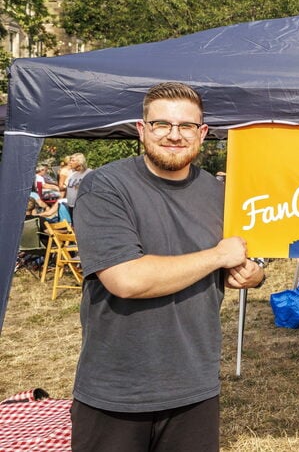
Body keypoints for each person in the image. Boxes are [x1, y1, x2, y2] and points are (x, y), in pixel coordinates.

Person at [70, 82, 265, 452]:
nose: (174, 136)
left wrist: (253, 274)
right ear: (142, 130)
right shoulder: (106, 186)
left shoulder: (220, 194)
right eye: (162, 124)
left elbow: (244, 258)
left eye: (186, 126)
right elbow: (125, 279)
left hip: (195, 386)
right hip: (118, 391)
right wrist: (218, 257)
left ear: (202, 134)